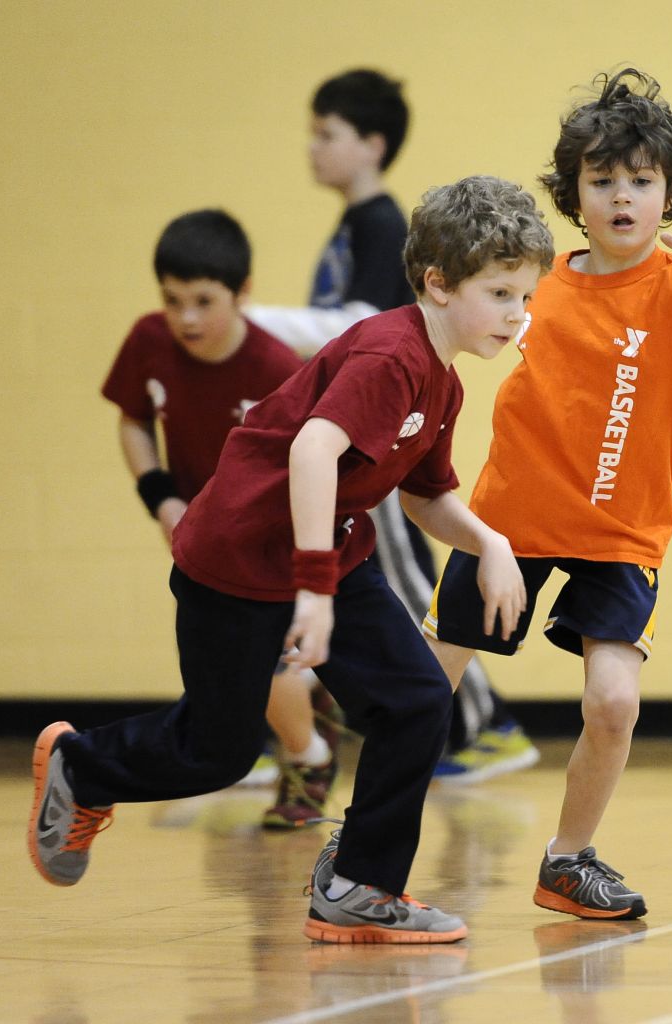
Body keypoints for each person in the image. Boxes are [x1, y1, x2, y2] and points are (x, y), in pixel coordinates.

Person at [28, 175, 557, 945]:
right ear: (438, 284)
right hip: (237, 563)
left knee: (415, 700)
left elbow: (422, 494)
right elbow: (314, 449)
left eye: (526, 296)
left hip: (331, 555)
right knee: (218, 750)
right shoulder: (390, 355)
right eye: (502, 292)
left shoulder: (440, 382)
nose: (519, 315)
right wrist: (313, 594)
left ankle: (357, 886)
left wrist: (493, 543)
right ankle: (82, 766)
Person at [422, 68, 672, 920]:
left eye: (641, 181)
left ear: (668, 194)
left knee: (613, 700)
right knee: (428, 686)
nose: (621, 196)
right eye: (602, 179)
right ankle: (364, 835)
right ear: (573, 192)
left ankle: (568, 859)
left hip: (623, 533)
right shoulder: (538, 283)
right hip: (510, 524)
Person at [247, 68, 539, 802]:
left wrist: (253, 321)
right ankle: (281, 738)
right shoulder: (361, 242)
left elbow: (351, 329)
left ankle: (470, 724)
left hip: (368, 442)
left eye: (328, 134)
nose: (313, 149)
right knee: (384, 604)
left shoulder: (381, 228)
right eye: (502, 296)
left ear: (372, 145)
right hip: (347, 446)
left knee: (407, 591)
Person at [101, 209, 336, 805]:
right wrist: (160, 496)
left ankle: (309, 758)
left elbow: (314, 465)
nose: (186, 318)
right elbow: (132, 418)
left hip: (266, 537)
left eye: (203, 301)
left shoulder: (278, 369)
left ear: (243, 293)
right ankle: (305, 724)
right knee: (231, 670)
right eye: (172, 299)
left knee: (265, 661)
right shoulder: (148, 341)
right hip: (197, 540)